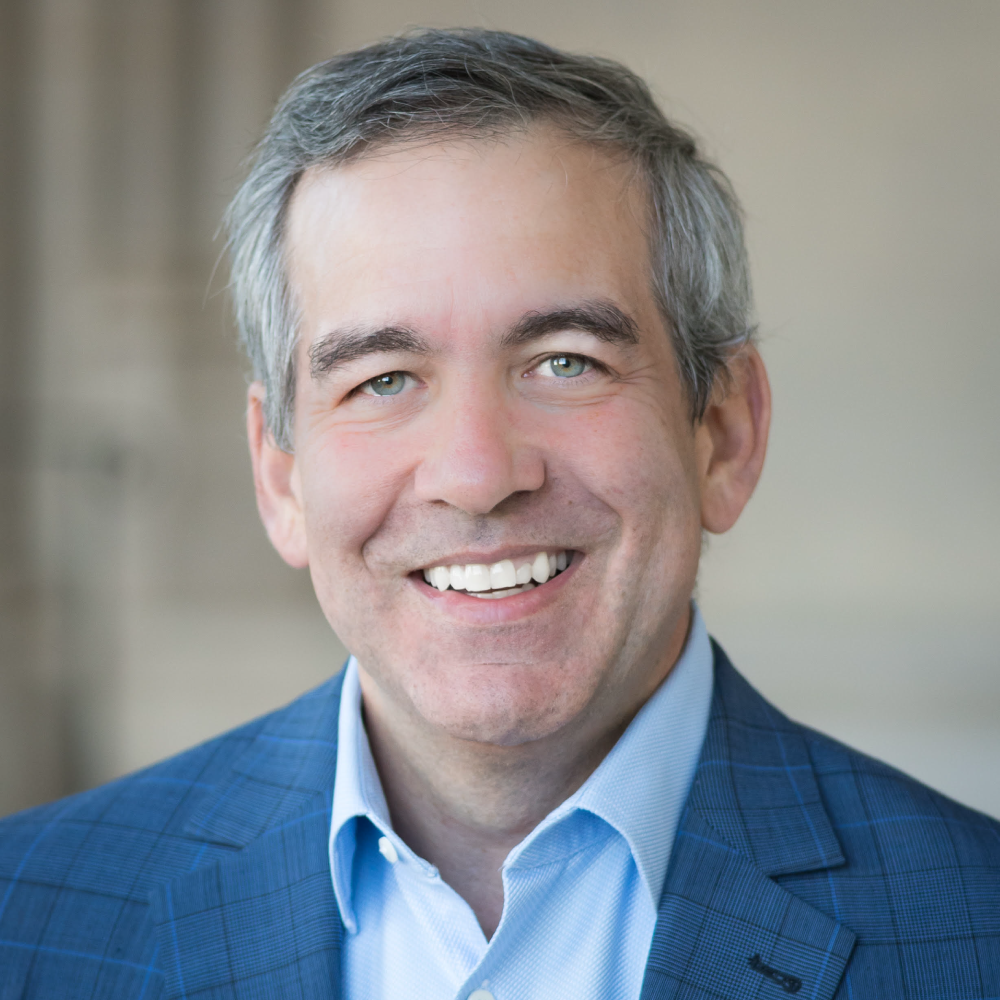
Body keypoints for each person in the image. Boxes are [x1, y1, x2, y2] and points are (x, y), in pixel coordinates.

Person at [1, 28, 997, 1000]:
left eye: (566, 361)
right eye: (384, 379)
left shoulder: (976, 931)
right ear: (278, 473)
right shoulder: (26, 916)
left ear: (722, 434)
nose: (476, 474)